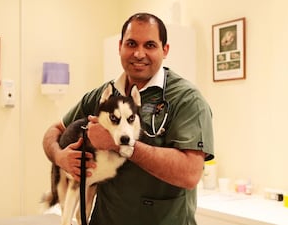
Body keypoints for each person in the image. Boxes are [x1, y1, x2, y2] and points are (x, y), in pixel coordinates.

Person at [42, 12, 214, 225]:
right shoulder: (101, 96)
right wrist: (61, 157)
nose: (139, 53)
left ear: (165, 50)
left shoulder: (186, 100)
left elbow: (190, 174)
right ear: (120, 46)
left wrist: (122, 144)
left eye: (150, 45)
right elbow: (54, 131)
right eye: (131, 44)